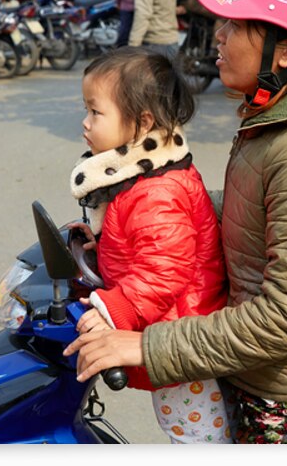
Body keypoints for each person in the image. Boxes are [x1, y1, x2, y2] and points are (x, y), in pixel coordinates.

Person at [64, 0, 287, 444]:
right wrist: (135, 222)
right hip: (258, 377)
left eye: (237, 24)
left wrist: (145, 345)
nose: (218, 35)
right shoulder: (280, 122)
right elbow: (253, 212)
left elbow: (286, 318)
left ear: (286, 50)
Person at [67, 47, 231, 444]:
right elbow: (145, 244)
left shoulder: (157, 191)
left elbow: (163, 271)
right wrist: (102, 244)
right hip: (171, 326)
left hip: (180, 340)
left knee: (196, 438)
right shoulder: (146, 177)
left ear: (142, 122)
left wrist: (114, 310)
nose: (86, 124)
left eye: (96, 112)